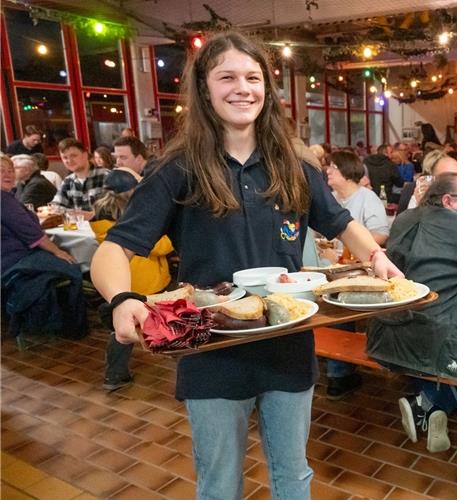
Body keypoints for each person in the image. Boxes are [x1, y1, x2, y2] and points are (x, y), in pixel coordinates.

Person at [90, 31, 402, 500]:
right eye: (227, 77)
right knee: (220, 484)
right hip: (210, 351)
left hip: (288, 345)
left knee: (293, 476)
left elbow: (340, 223)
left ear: (267, 88)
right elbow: (115, 248)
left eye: (253, 77)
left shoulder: (292, 166)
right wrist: (121, 299)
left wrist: (378, 258)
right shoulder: (178, 168)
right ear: (204, 88)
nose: (243, 88)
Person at [369, 172, 457, 453]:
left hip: (388, 333)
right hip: (441, 341)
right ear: (448, 200)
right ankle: (427, 403)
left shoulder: (403, 219)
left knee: (432, 342)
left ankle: (428, 407)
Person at [90, 169, 174, 391]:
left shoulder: (101, 223)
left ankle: (114, 374)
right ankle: (177, 354)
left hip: (121, 286)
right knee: (166, 321)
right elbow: (163, 246)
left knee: (121, 333)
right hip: (147, 283)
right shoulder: (135, 222)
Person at [322, 150, 390, 398]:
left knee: (338, 306)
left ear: (348, 172)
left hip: (358, 271)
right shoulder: (329, 198)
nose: (328, 171)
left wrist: (349, 247)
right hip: (327, 268)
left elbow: (381, 235)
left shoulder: (366, 198)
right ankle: (332, 365)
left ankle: (338, 374)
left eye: (333, 167)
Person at [1, 154, 86, 340]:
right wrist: (58, 251)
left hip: (7, 260)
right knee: (72, 267)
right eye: (1, 171)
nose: (7, 174)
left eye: (10, 170)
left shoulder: (8, 196)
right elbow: (32, 234)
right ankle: (72, 327)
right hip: (16, 261)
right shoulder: (4, 200)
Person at [51, 138, 109, 213]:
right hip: (78, 224)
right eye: (65, 157)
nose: (69, 161)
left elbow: (117, 209)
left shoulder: (106, 176)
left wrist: (92, 215)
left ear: (85, 155)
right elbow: (56, 207)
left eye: (73, 156)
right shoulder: (67, 182)